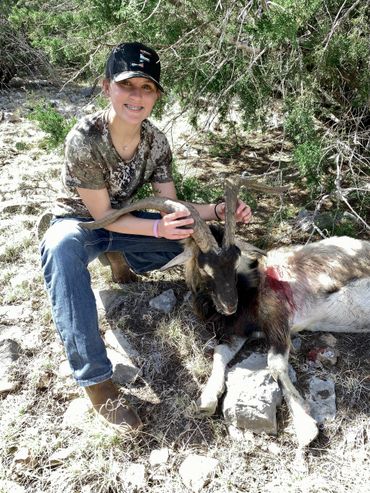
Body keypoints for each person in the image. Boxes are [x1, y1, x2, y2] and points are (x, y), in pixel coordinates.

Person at [40, 41, 252, 434]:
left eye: (147, 88)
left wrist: (216, 211)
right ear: (107, 88)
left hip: (131, 222)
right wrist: (156, 227)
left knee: (195, 236)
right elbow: (102, 216)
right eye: (127, 85)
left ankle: (124, 259)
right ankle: (96, 382)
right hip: (83, 225)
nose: (137, 96)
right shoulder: (85, 137)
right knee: (60, 248)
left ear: (156, 96)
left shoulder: (156, 140)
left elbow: (170, 206)